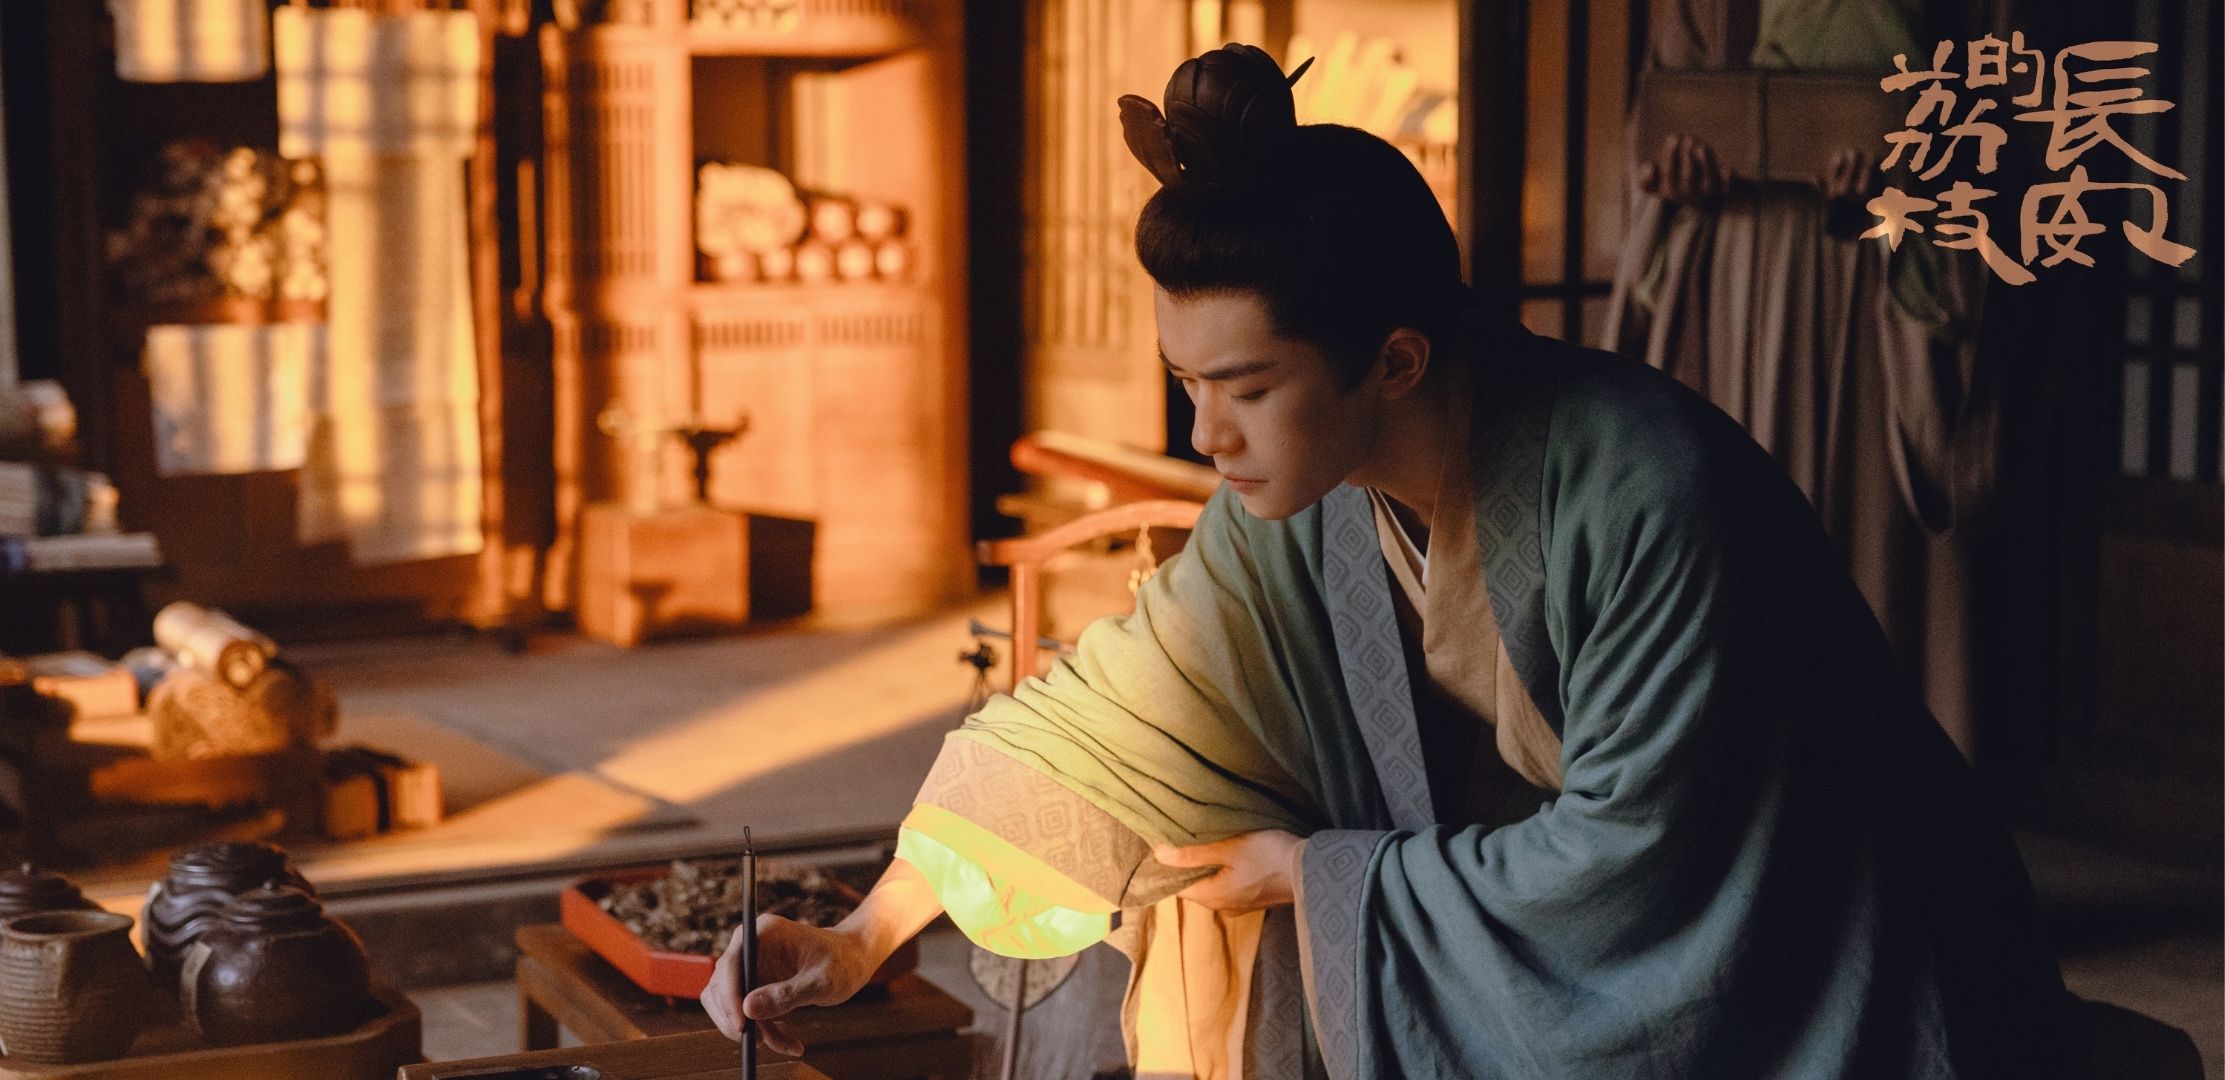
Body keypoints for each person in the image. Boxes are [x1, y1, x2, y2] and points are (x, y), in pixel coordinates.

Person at [705, 43, 2072, 1080]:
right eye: (1187, 384)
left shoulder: (1651, 494)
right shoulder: (1300, 500)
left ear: (1397, 361)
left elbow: (1642, 864)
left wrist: (1318, 876)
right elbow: (1113, 717)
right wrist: (861, 936)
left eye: (1246, 387)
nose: (1205, 435)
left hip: (1847, 942)